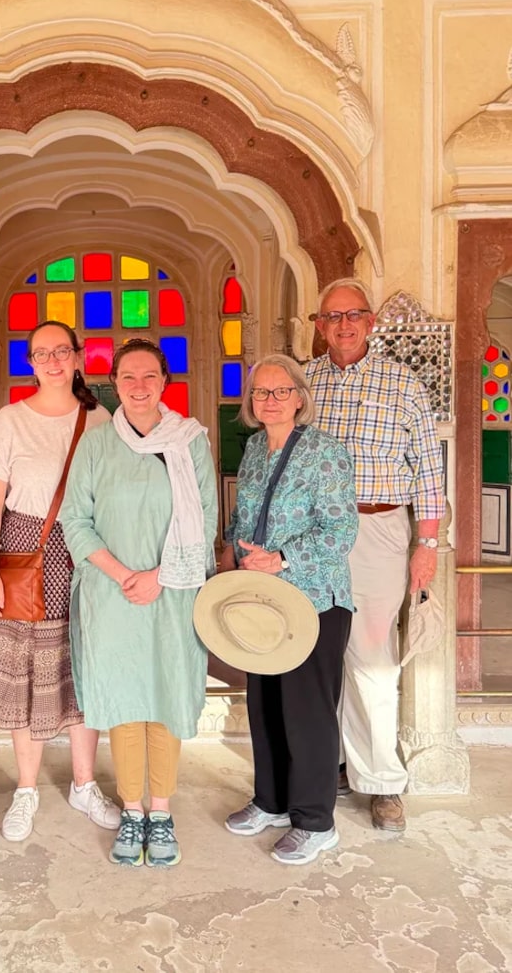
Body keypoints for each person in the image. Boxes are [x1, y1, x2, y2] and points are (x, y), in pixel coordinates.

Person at [0, 320, 120, 841]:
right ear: (30, 362)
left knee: (85, 670)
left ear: (78, 358)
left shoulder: (100, 419)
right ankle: (26, 789)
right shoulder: (9, 420)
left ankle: (84, 783)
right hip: (25, 555)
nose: (52, 361)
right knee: (26, 672)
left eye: (61, 351)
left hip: (89, 555)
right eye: (40, 353)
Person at [60, 339, 217, 869]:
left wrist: (161, 577)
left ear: (165, 381)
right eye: (128, 377)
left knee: (167, 694)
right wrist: (126, 574)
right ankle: (132, 811)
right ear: (115, 384)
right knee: (124, 701)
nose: (140, 386)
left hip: (174, 593)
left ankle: (162, 812)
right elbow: (75, 521)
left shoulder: (190, 441)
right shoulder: (96, 444)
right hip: (112, 594)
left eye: (150, 376)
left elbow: (205, 523)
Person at [306, 278, 445, 833]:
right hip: (313, 537)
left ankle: (383, 782)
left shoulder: (403, 382)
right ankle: (336, 764)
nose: (343, 325)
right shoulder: (304, 380)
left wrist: (426, 544)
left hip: (378, 528)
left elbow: (430, 473)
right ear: (318, 325)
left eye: (354, 315)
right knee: (317, 653)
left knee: (372, 657)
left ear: (370, 322)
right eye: (332, 317)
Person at [220, 354, 358, 865]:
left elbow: (341, 529)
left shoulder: (326, 452)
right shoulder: (256, 448)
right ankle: (271, 801)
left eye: (280, 392)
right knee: (265, 703)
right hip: (262, 599)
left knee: (307, 711)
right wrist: (235, 555)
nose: (270, 400)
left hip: (315, 599)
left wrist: (281, 559)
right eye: (261, 393)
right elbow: (242, 515)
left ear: (300, 397)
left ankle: (315, 821)